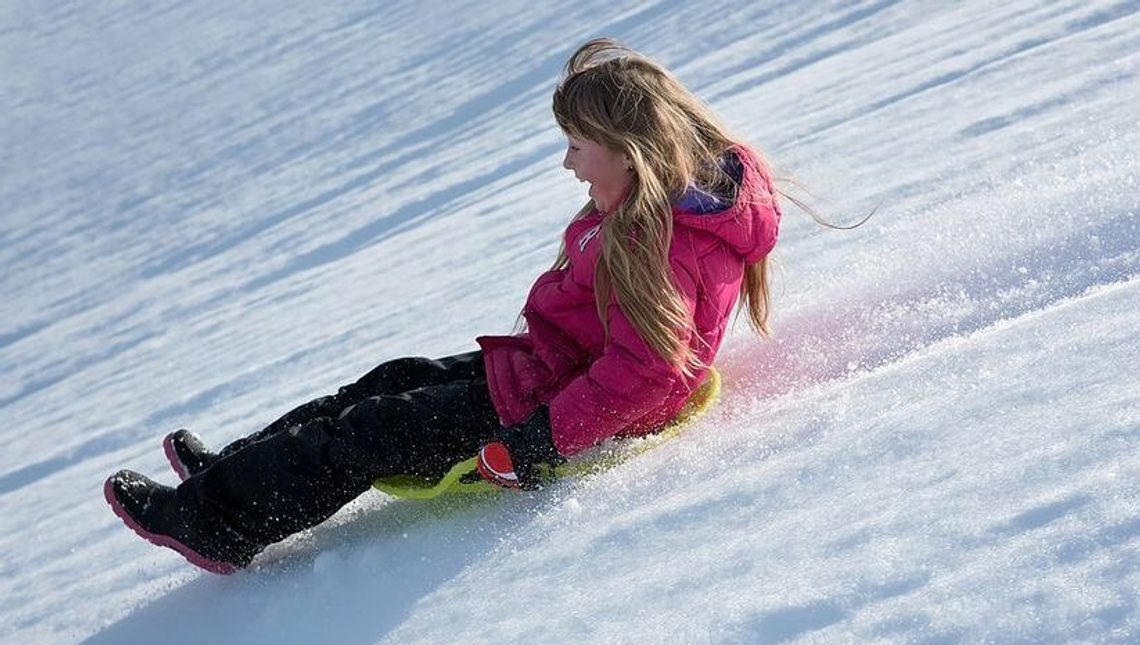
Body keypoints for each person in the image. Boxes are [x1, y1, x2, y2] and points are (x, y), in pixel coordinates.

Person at [104, 37, 781, 574]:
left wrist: (541, 441)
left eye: (577, 147)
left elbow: (648, 372)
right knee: (389, 379)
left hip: (546, 408)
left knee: (366, 431)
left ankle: (215, 523)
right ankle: (231, 470)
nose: (568, 165)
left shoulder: (656, 240)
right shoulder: (660, 209)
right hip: (547, 370)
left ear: (631, 153)